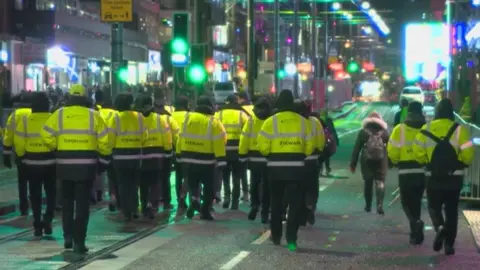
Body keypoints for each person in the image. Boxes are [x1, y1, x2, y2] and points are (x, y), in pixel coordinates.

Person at [41, 84, 111, 253]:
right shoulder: (94, 116)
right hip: (86, 165)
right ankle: (79, 241)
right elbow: (105, 141)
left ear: (69, 98)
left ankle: (68, 237)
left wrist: (55, 147)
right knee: (82, 204)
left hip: (64, 164)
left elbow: (46, 135)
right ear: (85, 98)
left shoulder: (59, 115)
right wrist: (103, 158)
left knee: (66, 203)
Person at [413, 99, 474, 255]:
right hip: (454, 178)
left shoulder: (425, 129)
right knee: (452, 210)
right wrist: (459, 163)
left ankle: (440, 227)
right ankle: (449, 245)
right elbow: (468, 156)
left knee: (433, 206)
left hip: (433, 177)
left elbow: (418, 154)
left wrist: (427, 162)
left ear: (437, 112)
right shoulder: (460, 130)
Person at [257, 90, 314, 250]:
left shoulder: (270, 122)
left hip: (275, 169)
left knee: (276, 204)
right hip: (296, 169)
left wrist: (273, 153)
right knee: (294, 205)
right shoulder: (304, 122)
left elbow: (262, 146)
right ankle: (291, 239)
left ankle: (276, 236)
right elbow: (310, 148)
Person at [176, 96, 226, 220]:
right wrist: (221, 159)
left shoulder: (187, 118)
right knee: (210, 188)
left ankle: (194, 199)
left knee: (193, 184)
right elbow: (220, 140)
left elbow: (180, 137)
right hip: (207, 161)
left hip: (188, 159)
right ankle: (205, 211)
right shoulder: (213, 122)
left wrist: (178, 154)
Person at [14, 92, 56, 237]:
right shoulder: (53, 119)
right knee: (51, 193)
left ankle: (37, 223)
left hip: (31, 163)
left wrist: (21, 156)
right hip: (51, 162)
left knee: (35, 194)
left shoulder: (25, 121)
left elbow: (19, 142)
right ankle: (48, 218)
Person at [387, 101, 427, 245]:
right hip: (422, 171)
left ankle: (415, 224)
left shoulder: (400, 129)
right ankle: (415, 235)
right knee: (416, 202)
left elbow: (392, 151)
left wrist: (395, 161)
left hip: (405, 171)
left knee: (405, 202)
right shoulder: (426, 129)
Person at [108, 93, 147, 221]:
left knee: (123, 184)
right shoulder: (139, 117)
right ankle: (135, 208)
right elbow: (144, 136)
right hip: (136, 154)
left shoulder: (116, 118)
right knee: (134, 183)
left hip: (120, 155)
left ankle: (126, 211)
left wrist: (111, 149)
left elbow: (111, 137)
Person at [138, 94, 173, 219]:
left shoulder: (137, 118)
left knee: (143, 182)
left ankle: (143, 205)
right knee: (155, 182)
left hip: (141, 155)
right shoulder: (160, 119)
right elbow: (167, 136)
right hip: (157, 155)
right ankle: (153, 205)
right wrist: (168, 152)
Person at [239, 97, 272, 223]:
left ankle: (254, 205)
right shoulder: (272, 120)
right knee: (267, 185)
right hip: (268, 157)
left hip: (253, 157)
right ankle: (265, 211)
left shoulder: (251, 121)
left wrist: (242, 154)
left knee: (254, 182)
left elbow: (244, 138)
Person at [350, 111, 389, 215]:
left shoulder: (363, 132)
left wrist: (353, 164)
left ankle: (368, 205)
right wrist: (392, 161)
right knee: (380, 182)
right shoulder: (384, 132)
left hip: (366, 161)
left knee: (368, 183)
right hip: (381, 161)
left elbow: (357, 148)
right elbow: (390, 147)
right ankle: (379, 205)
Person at [216, 94, 249, 209]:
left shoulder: (218, 114)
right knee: (237, 176)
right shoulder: (242, 114)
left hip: (223, 149)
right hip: (237, 150)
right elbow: (248, 130)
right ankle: (235, 202)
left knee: (225, 176)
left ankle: (227, 198)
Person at [3, 92, 33, 216]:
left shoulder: (15, 115)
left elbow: (8, 134)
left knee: (22, 182)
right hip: (35, 152)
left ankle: (24, 207)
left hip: (20, 154)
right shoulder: (35, 113)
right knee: (34, 182)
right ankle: (35, 206)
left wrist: (6, 153)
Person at [154, 93, 179, 210]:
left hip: (150, 152)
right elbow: (176, 135)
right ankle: (166, 201)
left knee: (153, 178)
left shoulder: (148, 118)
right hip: (166, 153)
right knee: (165, 177)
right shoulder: (168, 118)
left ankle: (154, 200)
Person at [171, 96, 190, 210]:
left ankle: (179, 198)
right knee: (188, 175)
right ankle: (184, 194)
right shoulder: (189, 116)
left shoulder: (170, 116)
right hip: (188, 149)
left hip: (174, 150)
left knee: (178, 175)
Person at [319, 111, 338, 176]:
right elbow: (332, 130)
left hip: (320, 140)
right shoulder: (328, 120)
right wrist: (336, 140)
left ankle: (320, 171)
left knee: (320, 157)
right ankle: (327, 170)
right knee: (326, 156)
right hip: (327, 141)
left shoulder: (317, 120)